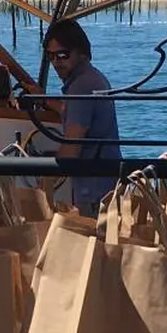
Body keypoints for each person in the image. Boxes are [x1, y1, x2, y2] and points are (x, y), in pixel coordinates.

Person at [41, 19, 117, 215]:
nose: (56, 62)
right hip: (106, 187)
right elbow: (74, 113)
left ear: (81, 52)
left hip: (92, 194)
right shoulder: (93, 78)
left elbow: (71, 150)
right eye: (50, 56)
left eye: (62, 55)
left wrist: (42, 176)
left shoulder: (81, 87)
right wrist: (42, 99)